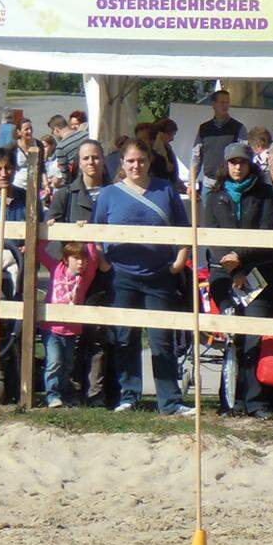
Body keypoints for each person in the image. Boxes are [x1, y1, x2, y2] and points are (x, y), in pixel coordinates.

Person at [92, 137, 192, 415]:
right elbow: (95, 232)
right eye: (131, 161)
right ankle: (129, 396)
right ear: (122, 163)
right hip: (121, 275)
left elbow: (184, 228)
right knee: (125, 338)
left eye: (141, 160)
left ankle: (169, 401)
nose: (136, 165)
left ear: (149, 161)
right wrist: (102, 262)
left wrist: (179, 260)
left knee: (162, 339)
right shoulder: (109, 194)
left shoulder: (165, 189)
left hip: (159, 274)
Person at [204, 142, 273, 418]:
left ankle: (255, 401)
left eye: (242, 162)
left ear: (250, 164)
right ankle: (229, 401)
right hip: (224, 274)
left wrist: (240, 256)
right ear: (226, 165)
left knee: (253, 338)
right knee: (231, 337)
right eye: (233, 162)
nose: (238, 167)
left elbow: (267, 231)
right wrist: (232, 265)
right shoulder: (214, 196)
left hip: (257, 273)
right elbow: (210, 234)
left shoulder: (264, 194)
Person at [47, 139, 114, 406]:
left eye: (96, 157)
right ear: (78, 162)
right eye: (86, 158)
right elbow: (52, 225)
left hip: (103, 273)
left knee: (98, 334)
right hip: (72, 277)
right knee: (70, 336)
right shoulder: (66, 194)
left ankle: (96, 393)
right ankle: (71, 390)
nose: (91, 163)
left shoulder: (113, 191)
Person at [39, 241, 109, 408]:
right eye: (76, 259)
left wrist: (86, 236)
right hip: (52, 327)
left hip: (72, 329)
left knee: (68, 364)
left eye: (83, 259)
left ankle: (65, 393)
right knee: (54, 362)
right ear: (65, 258)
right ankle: (52, 395)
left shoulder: (86, 275)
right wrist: (49, 229)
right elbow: (40, 251)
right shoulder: (55, 267)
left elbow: (92, 257)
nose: (81, 263)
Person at [194, 89, 248, 193]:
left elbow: (244, 157)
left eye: (227, 102)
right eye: (222, 102)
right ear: (214, 104)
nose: (225, 106)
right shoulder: (204, 129)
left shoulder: (238, 128)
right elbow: (196, 157)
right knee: (208, 209)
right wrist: (192, 182)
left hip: (230, 184)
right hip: (208, 183)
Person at [11, 118, 45, 190]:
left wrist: (46, 184)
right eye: (26, 129)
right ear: (19, 132)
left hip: (34, 186)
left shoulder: (38, 144)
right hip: (18, 186)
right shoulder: (13, 147)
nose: (29, 131)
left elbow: (42, 167)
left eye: (31, 128)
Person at [150, 118, 182, 191]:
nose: (172, 139)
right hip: (160, 187)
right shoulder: (156, 148)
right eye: (171, 135)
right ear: (163, 133)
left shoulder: (166, 147)